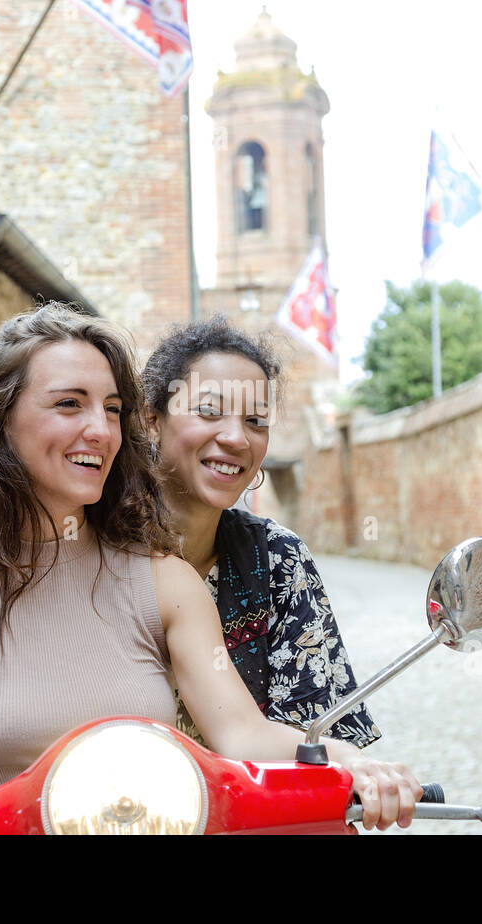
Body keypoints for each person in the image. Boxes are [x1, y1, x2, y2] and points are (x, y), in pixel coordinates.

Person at [0, 303, 421, 834]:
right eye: (68, 404)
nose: (100, 430)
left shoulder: (165, 581)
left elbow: (243, 732)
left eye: (112, 409)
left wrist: (342, 758)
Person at [141, 315, 379, 749]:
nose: (236, 438)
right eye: (209, 411)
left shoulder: (277, 560)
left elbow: (313, 738)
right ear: (151, 419)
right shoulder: (94, 549)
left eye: (256, 421)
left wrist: (352, 764)